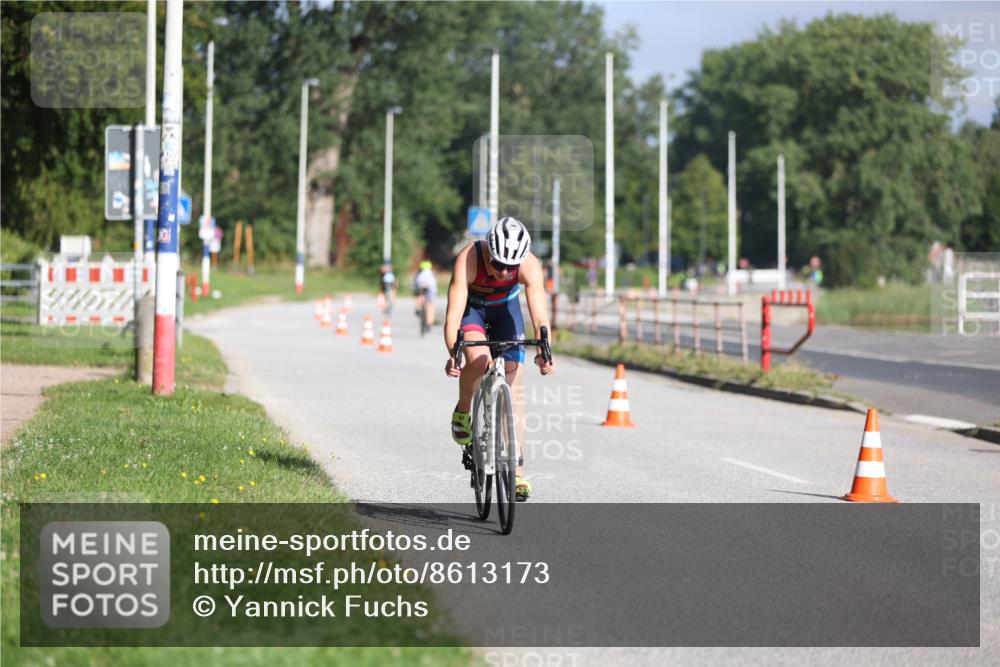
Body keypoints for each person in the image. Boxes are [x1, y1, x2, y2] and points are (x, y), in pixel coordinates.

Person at [443, 216, 555, 502]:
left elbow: (540, 316)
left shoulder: (529, 265)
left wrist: (545, 351)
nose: (504, 271)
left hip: (505, 312)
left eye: (510, 266)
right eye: (498, 264)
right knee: (479, 362)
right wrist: (453, 353)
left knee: (515, 387)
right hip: (473, 311)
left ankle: (516, 471)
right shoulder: (468, 258)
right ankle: (464, 410)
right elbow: (454, 313)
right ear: (489, 253)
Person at [413, 260, 437, 332]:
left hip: (420, 288)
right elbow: (433, 284)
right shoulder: (432, 273)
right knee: (431, 305)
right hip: (430, 289)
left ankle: (418, 308)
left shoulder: (418, 273)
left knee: (418, 295)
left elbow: (415, 284)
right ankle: (430, 324)